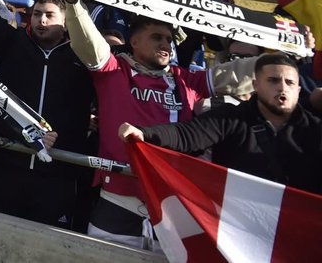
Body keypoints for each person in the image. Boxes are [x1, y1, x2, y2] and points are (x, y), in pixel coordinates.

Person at [59, 0, 257, 248]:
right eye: (156, 37)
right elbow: (87, 42)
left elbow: (239, 74)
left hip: (175, 202)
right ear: (134, 42)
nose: (166, 44)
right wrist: (73, 2)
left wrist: (287, 50)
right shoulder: (115, 71)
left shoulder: (186, 79)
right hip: (119, 199)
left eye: (168, 39)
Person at [119, 52, 322, 194]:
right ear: (255, 86)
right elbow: (185, 135)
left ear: (299, 90)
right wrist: (144, 134)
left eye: (290, 83)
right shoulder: (230, 118)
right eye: (273, 80)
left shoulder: (316, 130)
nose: (282, 88)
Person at [0, 0, 94, 229]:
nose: (41, 21)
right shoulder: (13, 42)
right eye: (37, 14)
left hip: (57, 176)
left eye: (49, 15)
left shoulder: (84, 57)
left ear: (66, 21)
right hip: (7, 168)